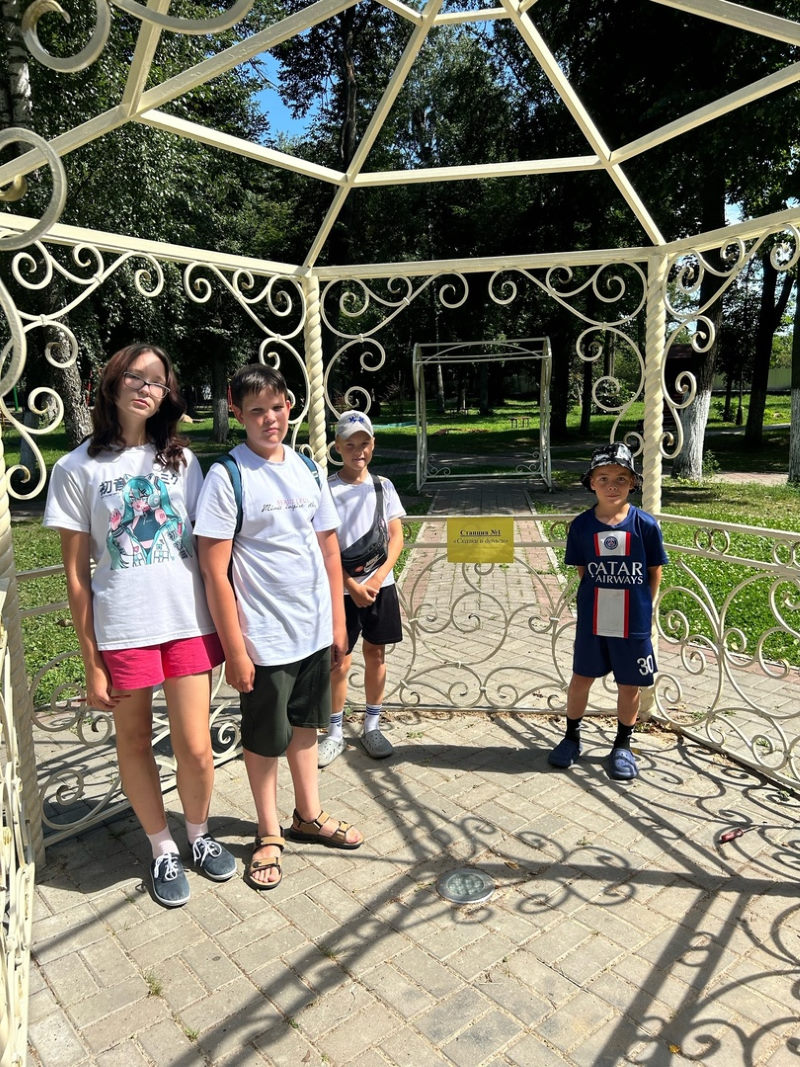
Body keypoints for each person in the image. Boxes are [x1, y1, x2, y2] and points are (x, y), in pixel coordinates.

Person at [43, 343, 236, 908]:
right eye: (135, 376)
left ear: (166, 394)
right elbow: (76, 576)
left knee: (194, 747)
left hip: (186, 621)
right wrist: (91, 661)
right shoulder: (76, 468)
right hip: (123, 626)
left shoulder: (183, 462)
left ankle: (197, 834)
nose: (146, 388)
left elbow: (208, 547)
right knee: (133, 742)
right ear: (112, 382)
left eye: (157, 381)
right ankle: (161, 847)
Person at [194, 364, 363, 892]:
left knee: (306, 727)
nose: (270, 419)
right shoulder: (229, 476)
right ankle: (268, 832)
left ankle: (308, 815)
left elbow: (328, 548)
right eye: (256, 411)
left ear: (290, 405)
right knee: (266, 740)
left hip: (313, 630)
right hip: (263, 638)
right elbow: (214, 571)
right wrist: (235, 649)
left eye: (277, 407)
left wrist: (337, 621)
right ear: (238, 414)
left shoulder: (308, 468)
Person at [548, 442, 668, 781]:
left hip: (633, 622)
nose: (612, 486)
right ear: (591, 483)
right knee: (581, 678)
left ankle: (622, 745)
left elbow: (654, 571)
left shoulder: (645, 525)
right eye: (603, 478)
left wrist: (642, 607)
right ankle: (571, 737)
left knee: (629, 685)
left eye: (620, 479)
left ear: (633, 483)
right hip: (594, 619)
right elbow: (584, 571)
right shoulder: (581, 526)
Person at [321, 410, 406, 767]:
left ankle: (372, 725)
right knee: (339, 661)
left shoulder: (383, 486)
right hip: (342, 590)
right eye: (350, 444)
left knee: (377, 654)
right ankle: (334, 731)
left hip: (379, 587)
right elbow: (323, 545)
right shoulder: (327, 489)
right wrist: (351, 584)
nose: (358, 451)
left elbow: (397, 537)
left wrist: (376, 579)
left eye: (364, 443)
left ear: (373, 444)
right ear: (337, 447)